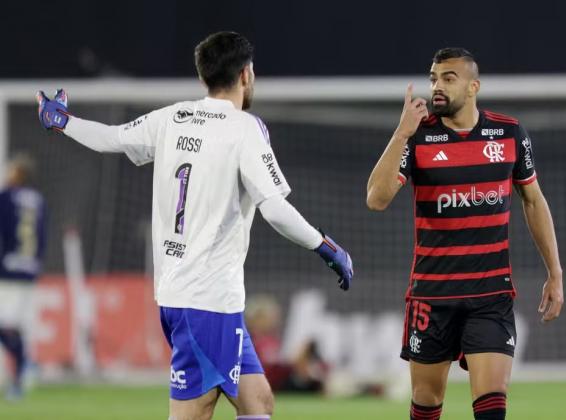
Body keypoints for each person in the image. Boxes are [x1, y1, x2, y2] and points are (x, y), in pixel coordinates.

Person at [36, 31, 353, 420]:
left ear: (204, 76)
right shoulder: (244, 128)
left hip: (187, 295)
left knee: (257, 401)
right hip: (207, 300)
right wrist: (325, 246)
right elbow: (274, 208)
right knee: (194, 412)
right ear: (246, 75)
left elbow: (111, 139)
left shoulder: (172, 117)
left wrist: (61, 120)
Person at [366, 48, 563, 420]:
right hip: (431, 296)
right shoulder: (418, 138)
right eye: (433, 78)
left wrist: (555, 272)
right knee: (426, 403)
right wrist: (402, 131)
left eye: (448, 78)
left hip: (490, 295)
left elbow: (534, 201)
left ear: (473, 86)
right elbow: (376, 199)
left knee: (492, 403)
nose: (437, 86)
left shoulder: (508, 134)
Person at [0, 154, 47, 400]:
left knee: (7, 328)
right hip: (28, 270)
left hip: (7, 270)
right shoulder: (39, 200)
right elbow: (42, 236)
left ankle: (22, 369)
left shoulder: (6, 197)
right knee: (13, 327)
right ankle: (24, 367)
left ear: (18, 174)